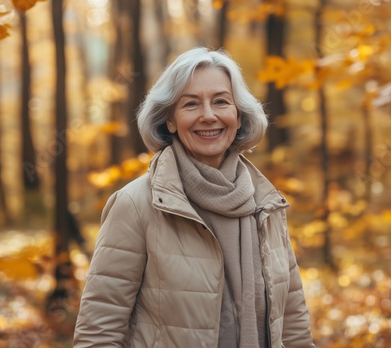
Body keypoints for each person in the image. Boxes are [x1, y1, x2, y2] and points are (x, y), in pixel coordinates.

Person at [73, 47, 315, 348]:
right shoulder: (135, 205)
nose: (208, 115)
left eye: (221, 101)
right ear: (170, 120)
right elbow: (98, 334)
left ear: (238, 116)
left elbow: (293, 329)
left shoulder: (267, 205)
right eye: (190, 104)